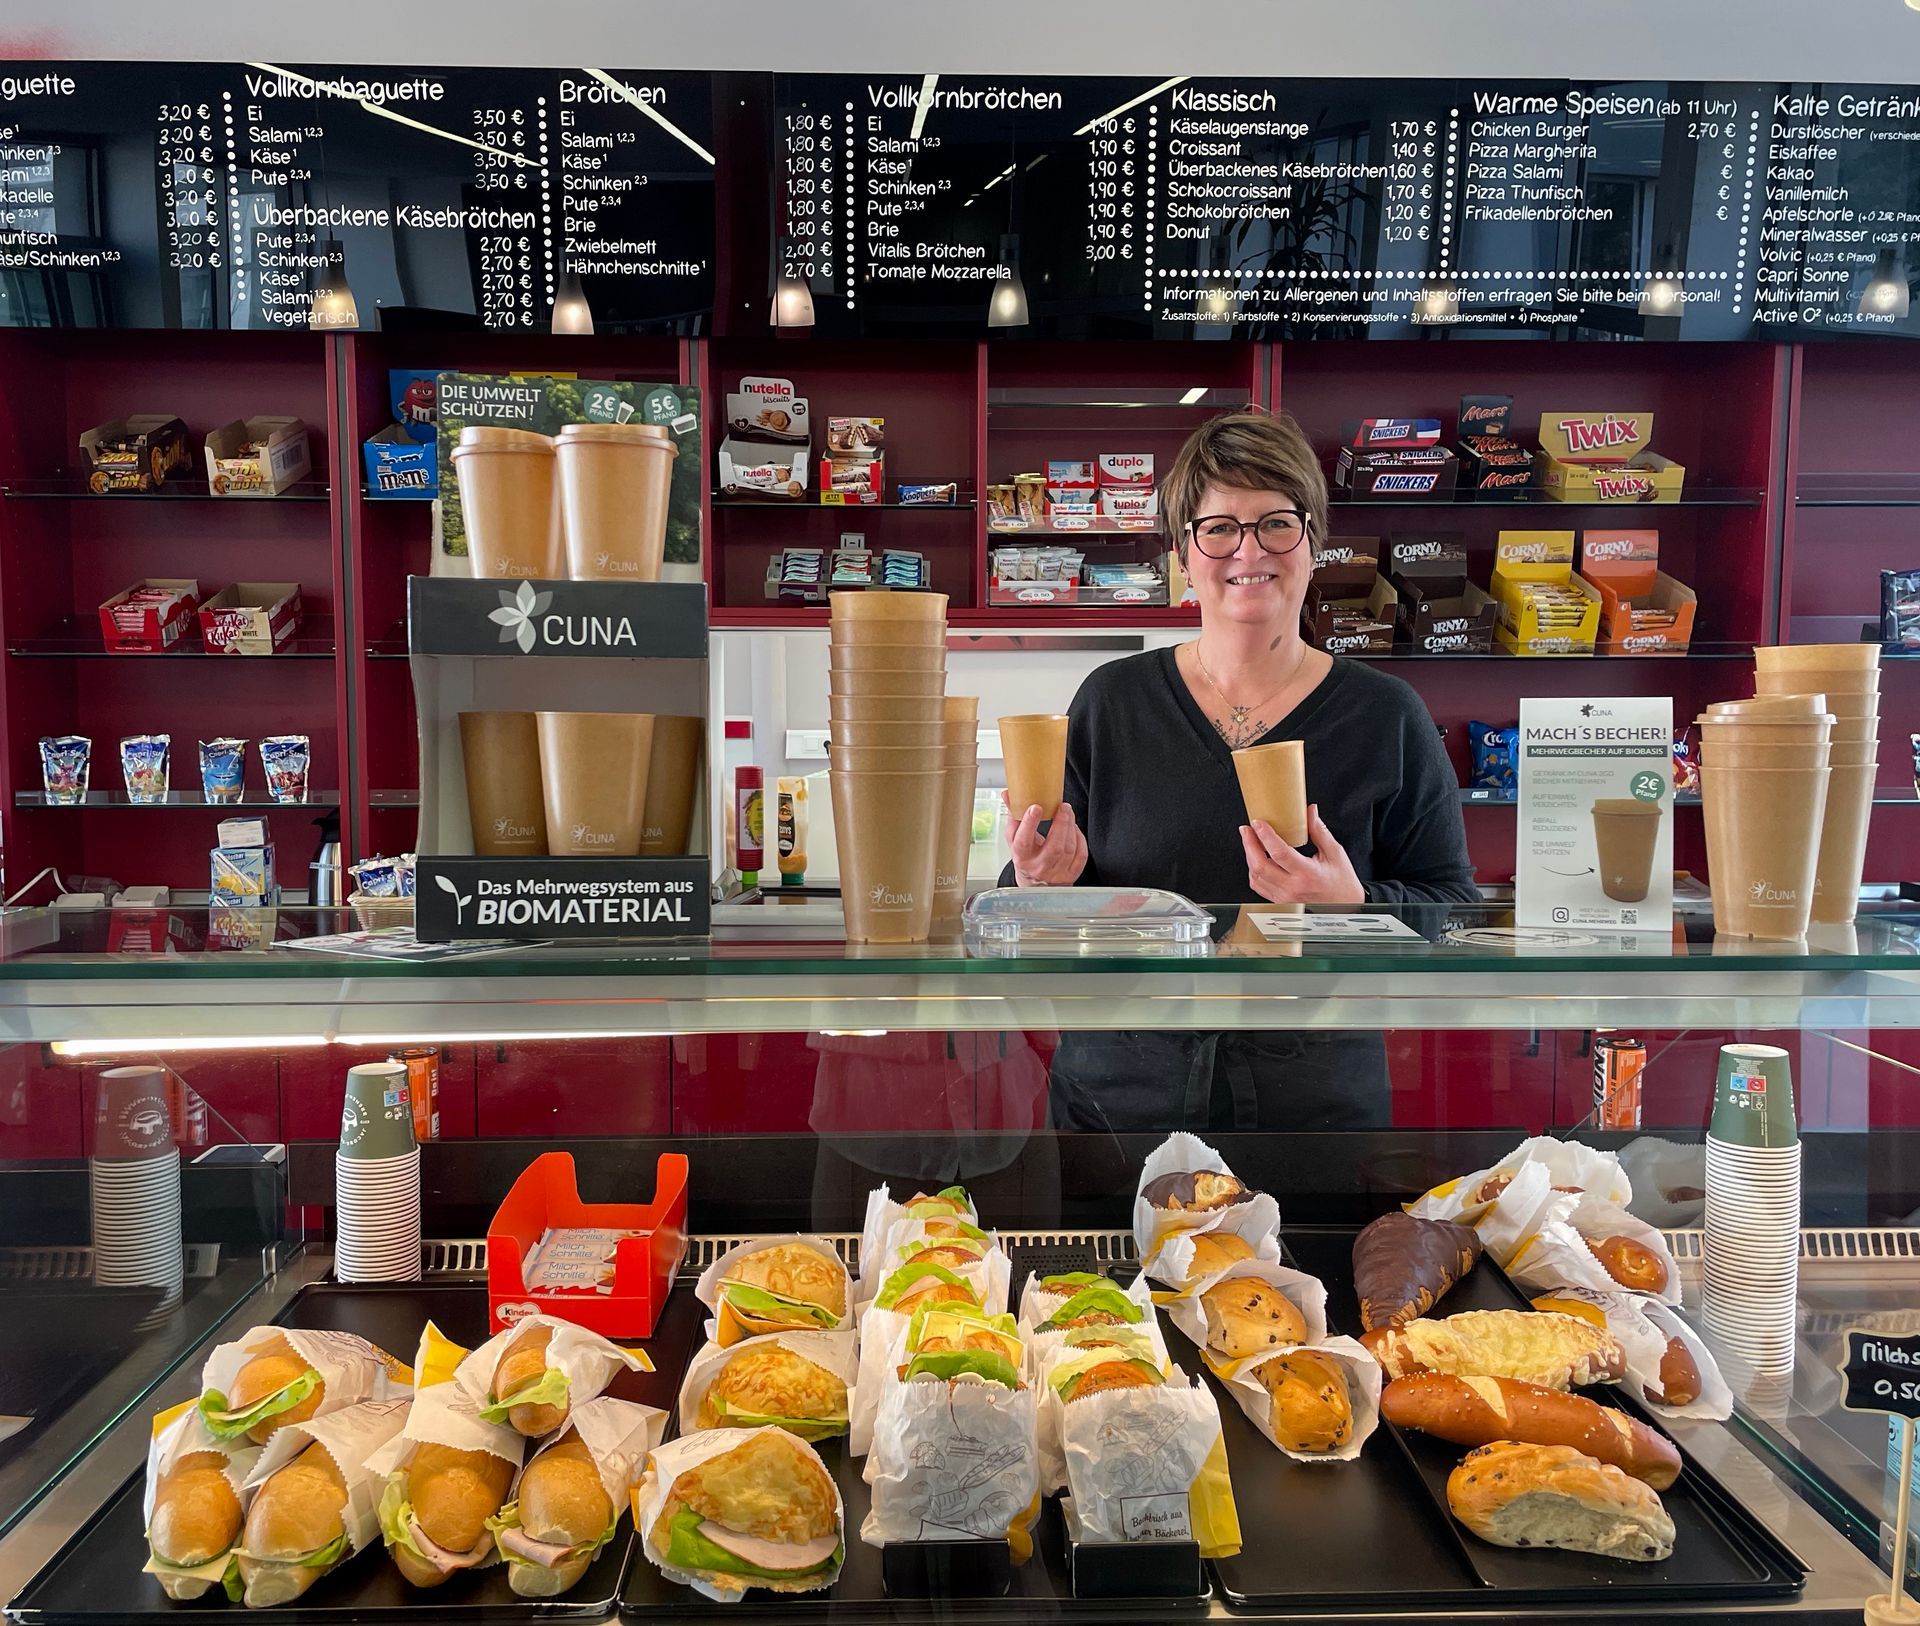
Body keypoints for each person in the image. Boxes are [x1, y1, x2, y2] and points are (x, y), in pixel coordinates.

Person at [1003, 410, 1479, 1132]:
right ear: (1182, 555)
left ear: (1313, 541)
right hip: (1120, 1099)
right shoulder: (1114, 700)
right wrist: (1038, 882)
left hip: (1314, 1106)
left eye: (1276, 523)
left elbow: (1453, 907)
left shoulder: (1386, 715)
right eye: (1218, 527)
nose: (1247, 549)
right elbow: (1026, 903)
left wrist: (1352, 909)